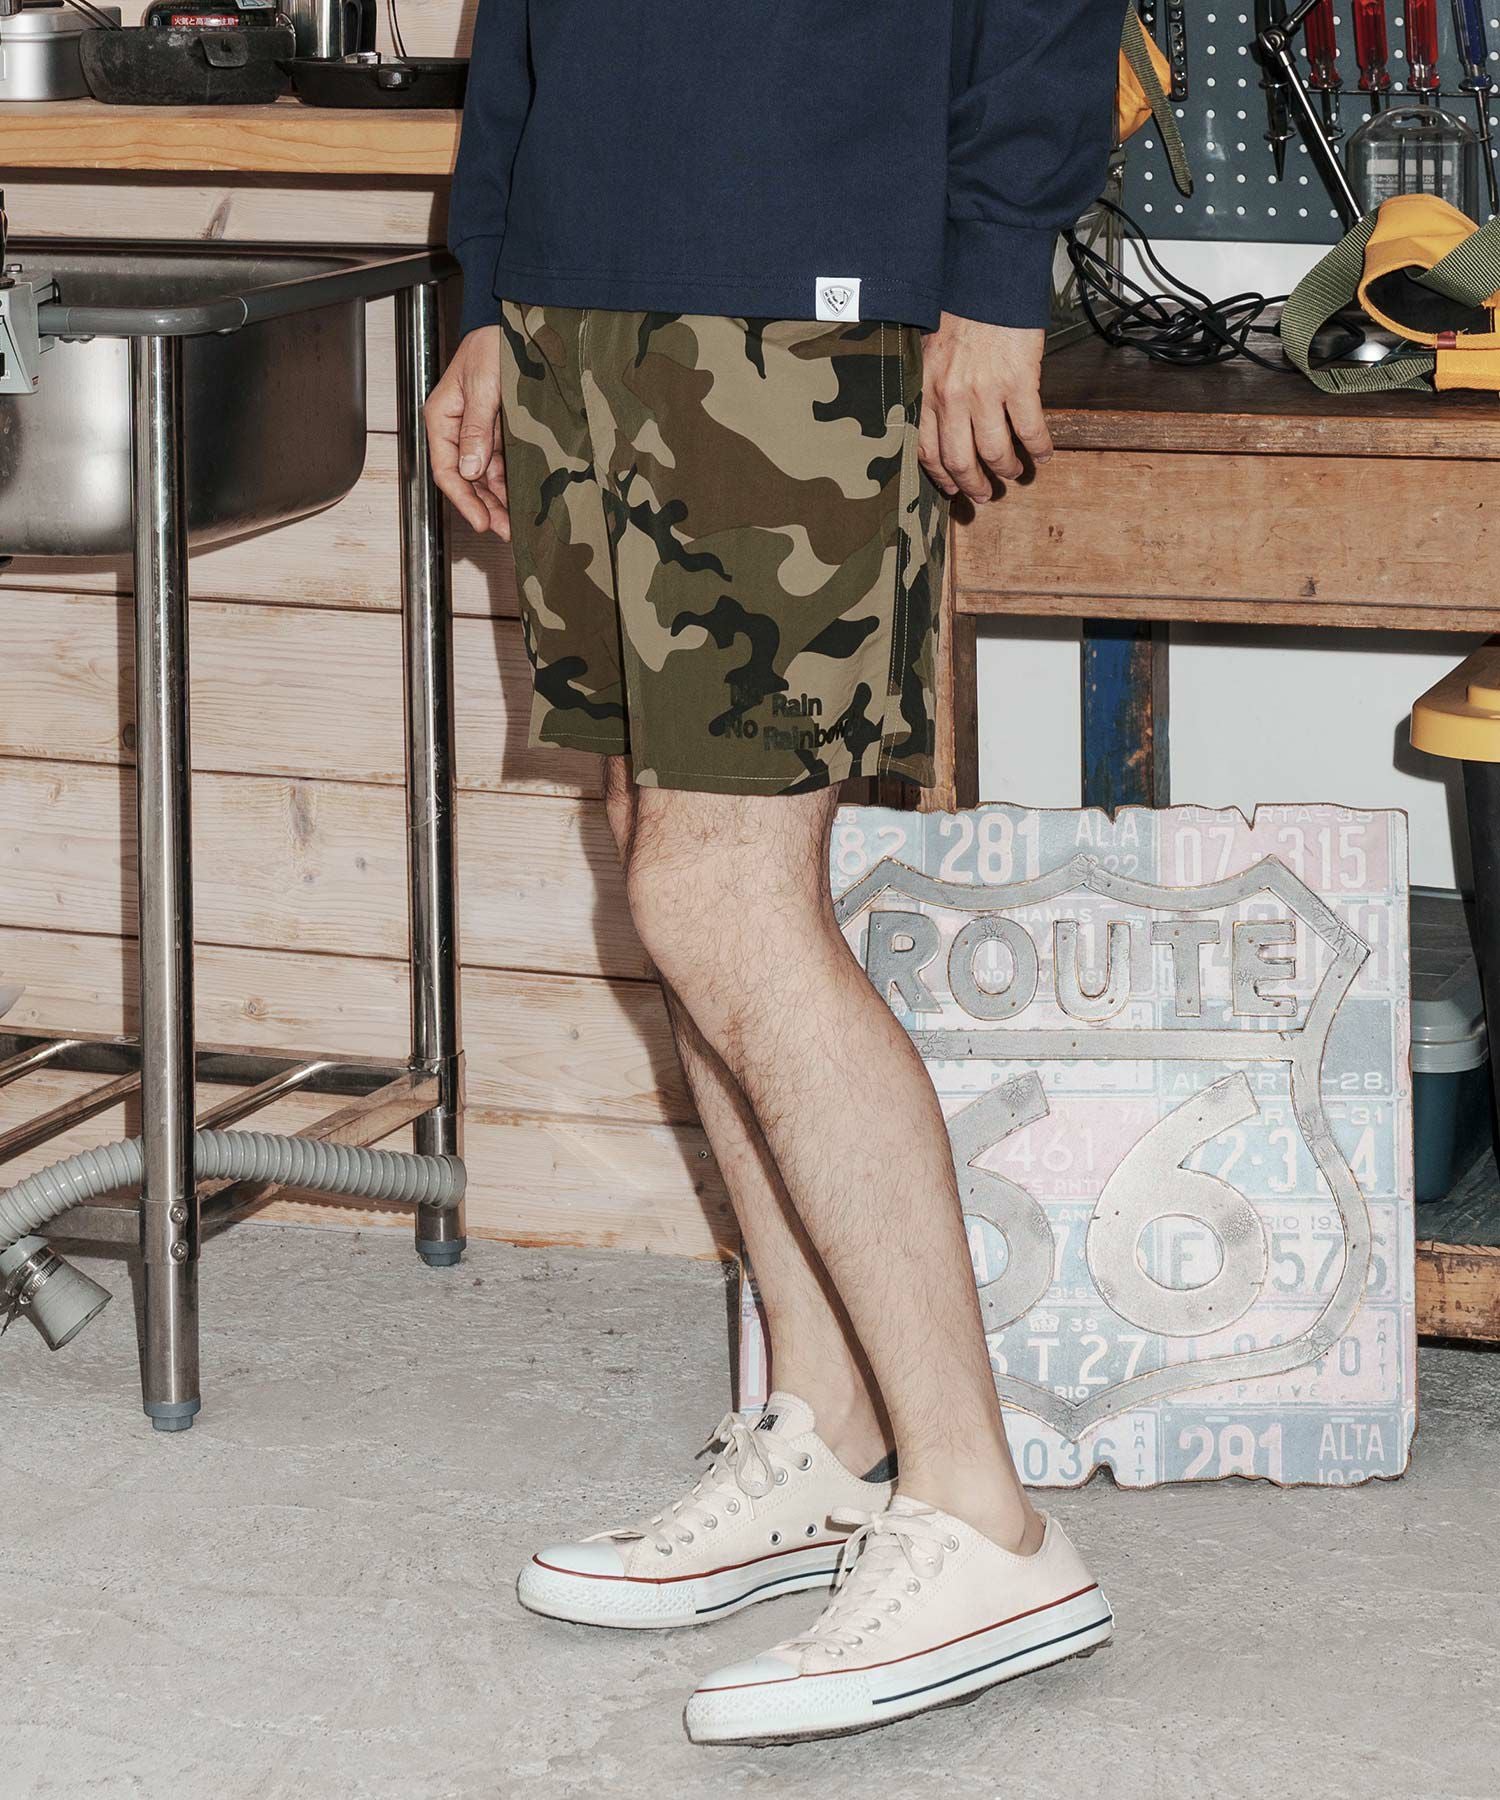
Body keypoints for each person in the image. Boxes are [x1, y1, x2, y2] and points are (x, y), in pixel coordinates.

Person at [427, 0, 1121, 1747]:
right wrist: (492, 292)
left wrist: (1000, 266)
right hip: (587, 297)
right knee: (653, 851)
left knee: (719, 892)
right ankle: (826, 1427)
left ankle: (984, 1517)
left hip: (801, 294)